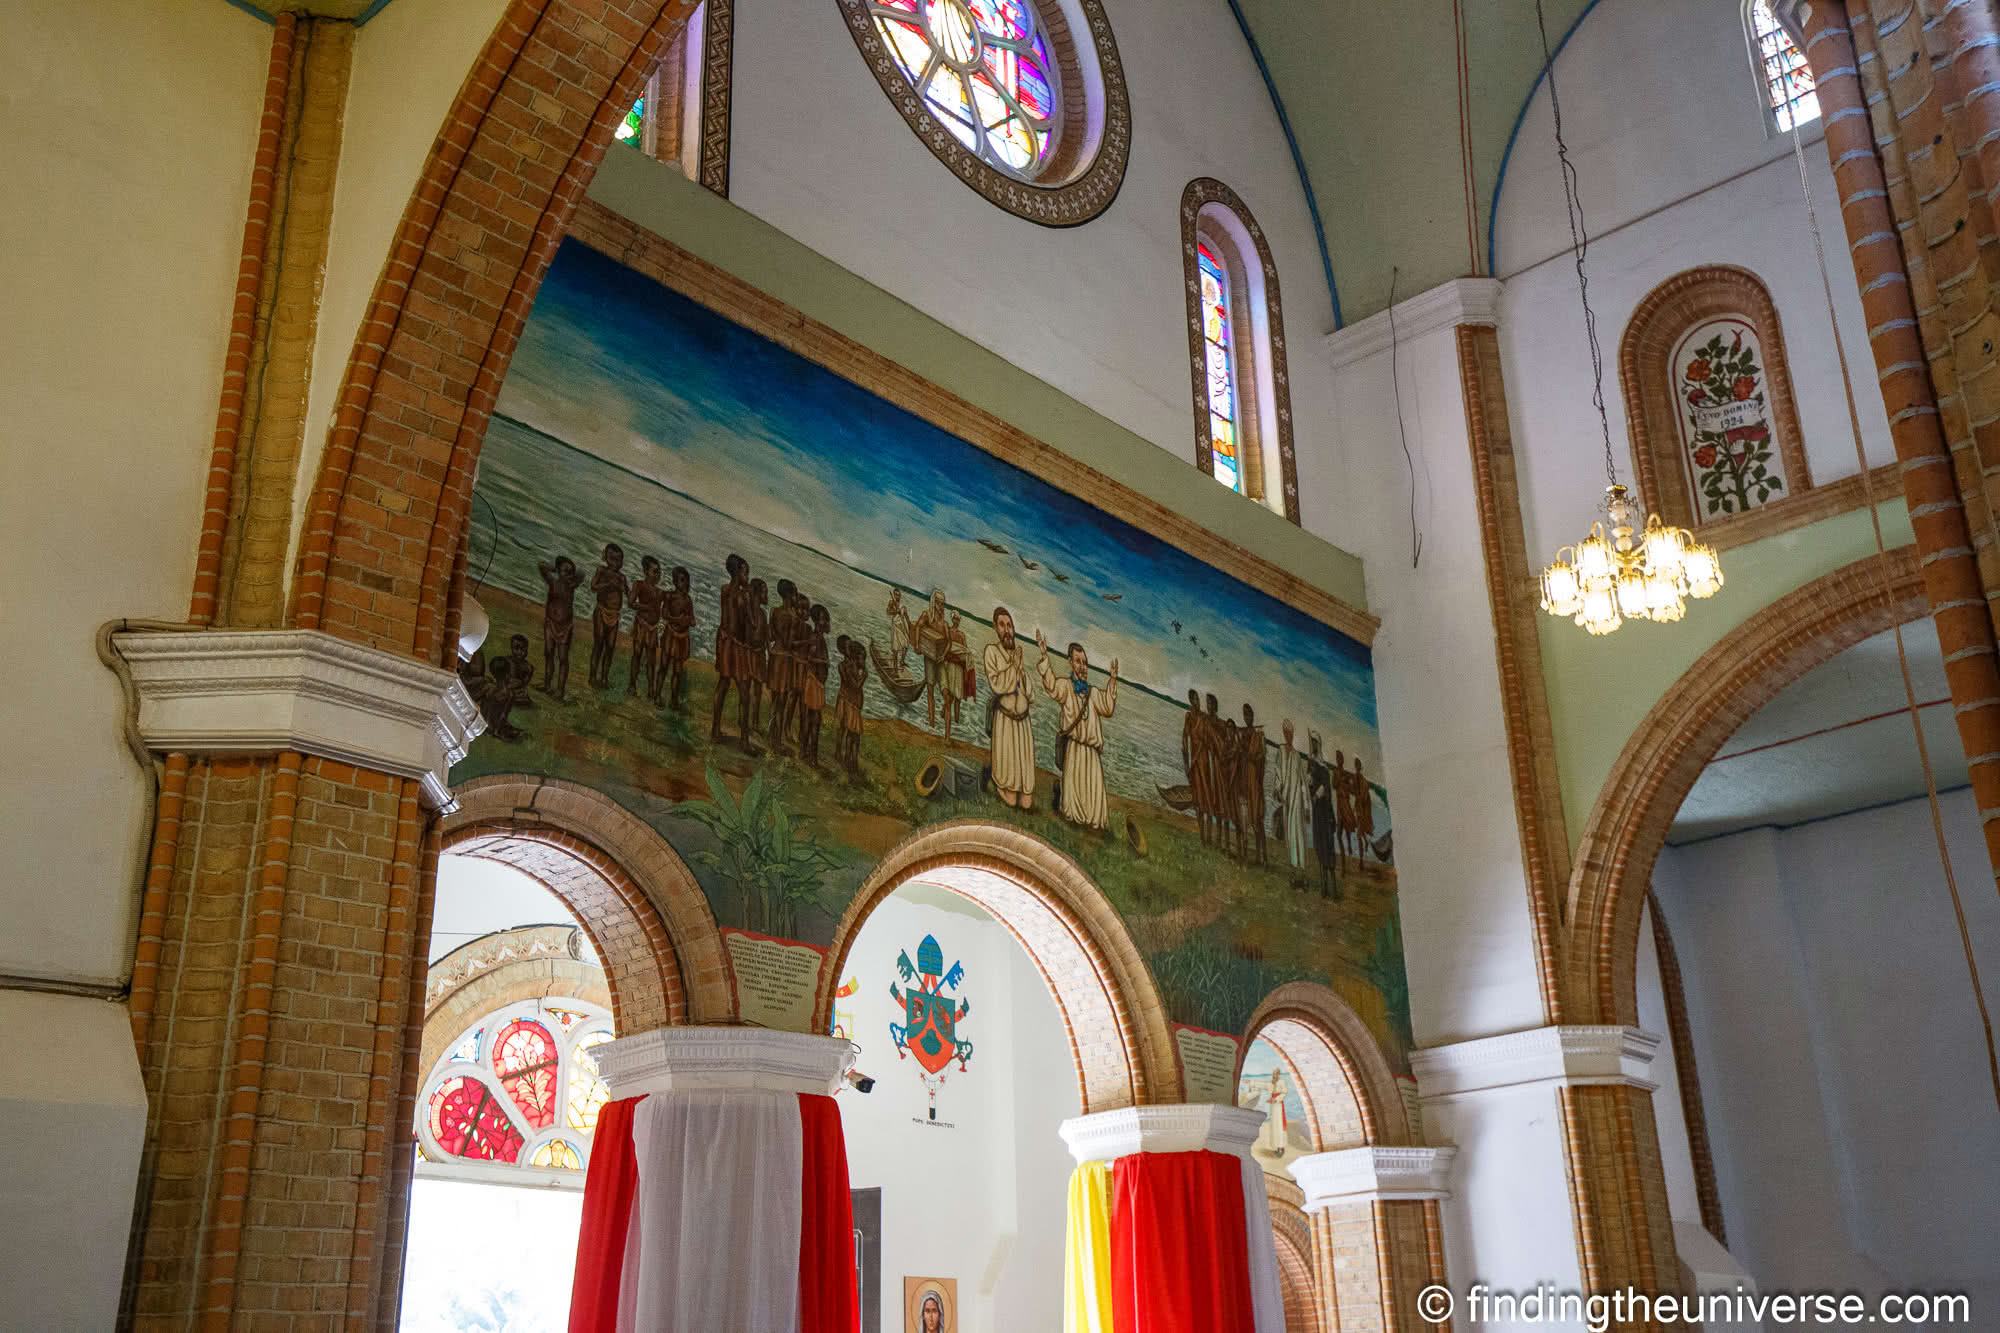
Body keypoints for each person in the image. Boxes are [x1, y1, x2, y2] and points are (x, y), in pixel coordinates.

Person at [1035, 630, 1117, 830]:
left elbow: (1108, 707)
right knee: (1074, 788)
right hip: (1074, 747)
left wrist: (1113, 680)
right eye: (1078, 662)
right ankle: (1072, 818)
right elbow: (1051, 686)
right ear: (1071, 663)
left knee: (1092, 789)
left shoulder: (1094, 693)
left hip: (1091, 751)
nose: (1083, 667)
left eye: (1085, 662)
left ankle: (1093, 824)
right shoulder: (1066, 686)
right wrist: (1044, 656)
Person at [982, 607, 1036, 810]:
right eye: (1003, 625)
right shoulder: (992, 652)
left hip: (1023, 725)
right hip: (1005, 721)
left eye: (1010, 625)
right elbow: (998, 685)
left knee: (1027, 802)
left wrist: (1021, 670)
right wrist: (1013, 667)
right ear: (996, 628)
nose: (1007, 630)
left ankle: (1006, 786)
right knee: (1012, 798)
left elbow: (1031, 694)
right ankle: (996, 783)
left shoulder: (1018, 655)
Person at [709, 554, 756, 751]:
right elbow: (750, 624)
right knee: (744, 691)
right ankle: (744, 740)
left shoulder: (724, 590)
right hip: (736, 645)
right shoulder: (743, 596)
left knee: (723, 683)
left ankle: (715, 730)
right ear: (738, 572)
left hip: (724, 640)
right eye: (746, 572)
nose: (748, 576)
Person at [537, 554, 582, 702]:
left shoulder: (571, 585)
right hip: (550, 623)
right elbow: (541, 566)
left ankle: (560, 690)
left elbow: (582, 574)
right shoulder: (553, 582)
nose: (568, 574)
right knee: (549, 653)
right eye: (565, 571)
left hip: (565, 627)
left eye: (570, 572)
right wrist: (554, 569)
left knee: (563, 658)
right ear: (558, 571)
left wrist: (570, 575)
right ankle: (547, 684)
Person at [1273, 719, 1311, 885]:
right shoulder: (1280, 751)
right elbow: (1278, 773)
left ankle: (1301, 873)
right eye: (1286, 732)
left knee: (1299, 836)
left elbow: (1303, 782)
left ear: (1292, 734)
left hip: (1298, 803)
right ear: (1283, 733)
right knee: (1289, 837)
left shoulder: (1296, 756)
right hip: (1287, 801)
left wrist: (1307, 807)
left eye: (1290, 733)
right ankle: (1294, 873)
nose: (1288, 735)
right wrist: (1277, 789)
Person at [477, 635, 536, 741]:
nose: (519, 652)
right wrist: (498, 729)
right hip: (492, 725)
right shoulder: (508, 694)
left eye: (522, 649)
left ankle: (497, 728)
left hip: (485, 723)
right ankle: (498, 730)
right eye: (516, 648)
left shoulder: (528, 667)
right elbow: (503, 715)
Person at [587, 542, 628, 689]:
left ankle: (604, 678)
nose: (616, 563)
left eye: (619, 560)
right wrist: (608, 585)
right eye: (613, 559)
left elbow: (629, 596)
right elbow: (593, 587)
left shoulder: (622, 577)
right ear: (605, 558)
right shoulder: (602, 571)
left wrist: (623, 589)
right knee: (598, 644)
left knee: (610, 646)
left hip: (614, 615)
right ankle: (592, 676)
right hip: (601, 611)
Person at [911, 589, 952, 731]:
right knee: (930, 690)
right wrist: (916, 645)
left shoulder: (945, 624)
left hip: (940, 661)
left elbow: (949, 643)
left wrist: (943, 655)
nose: (941, 607)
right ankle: (932, 723)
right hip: (929, 658)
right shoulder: (927, 615)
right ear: (933, 603)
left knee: (946, 695)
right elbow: (918, 627)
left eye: (943, 604)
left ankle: (946, 733)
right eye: (939, 603)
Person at [765, 578, 799, 748]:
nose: (796, 597)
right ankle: (777, 741)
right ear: (790, 595)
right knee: (782, 701)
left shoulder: (774, 611)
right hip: (785, 659)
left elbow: (769, 636)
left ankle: (771, 735)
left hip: (774, 657)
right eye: (795, 594)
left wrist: (769, 651)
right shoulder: (792, 616)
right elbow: (789, 642)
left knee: (774, 699)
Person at [626, 555, 665, 699]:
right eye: (655, 571)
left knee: (651, 659)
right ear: (645, 571)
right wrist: (646, 607)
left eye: (659, 571)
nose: (658, 574)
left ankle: (651, 689)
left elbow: (661, 611)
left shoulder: (660, 592)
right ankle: (632, 685)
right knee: (636, 655)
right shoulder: (639, 585)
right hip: (641, 625)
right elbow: (630, 603)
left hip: (653, 628)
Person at [1308, 732, 1340, 900]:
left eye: (1314, 743)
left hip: (1325, 812)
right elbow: (1309, 787)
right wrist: (1309, 782)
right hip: (1316, 812)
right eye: (1311, 742)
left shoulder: (1324, 768)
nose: (1312, 745)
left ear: (1318, 745)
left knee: (1328, 848)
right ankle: (1324, 887)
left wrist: (1317, 793)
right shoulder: (1311, 764)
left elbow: (1326, 789)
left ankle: (1333, 888)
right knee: (1319, 847)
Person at [799, 604, 831, 765]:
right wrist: (824, 661)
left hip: (817, 683)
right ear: (820, 621)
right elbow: (809, 658)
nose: (828, 624)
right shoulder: (815, 638)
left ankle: (807, 752)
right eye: (826, 620)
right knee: (813, 720)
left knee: (812, 720)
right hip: (813, 682)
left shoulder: (820, 638)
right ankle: (809, 755)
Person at [1238, 702, 1268, 866]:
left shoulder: (1258, 736)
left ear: (1253, 716)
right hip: (1244, 781)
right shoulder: (1242, 734)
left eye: (1249, 714)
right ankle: (1247, 855)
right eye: (1244, 714)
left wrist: (1250, 756)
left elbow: (1261, 759)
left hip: (1254, 784)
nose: (1247, 717)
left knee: (1258, 820)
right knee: (1244, 821)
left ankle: (1262, 856)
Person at [660, 565, 693, 708]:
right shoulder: (669, 596)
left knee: (678, 671)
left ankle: (674, 699)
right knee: (663, 665)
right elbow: (664, 614)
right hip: (671, 634)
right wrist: (678, 619)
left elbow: (693, 619)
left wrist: (688, 620)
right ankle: (656, 694)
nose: (685, 584)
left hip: (682, 637)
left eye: (687, 581)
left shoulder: (688, 600)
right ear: (674, 582)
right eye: (682, 580)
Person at [1181, 689, 1212, 845]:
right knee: (1197, 800)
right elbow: (1184, 739)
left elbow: (1205, 740)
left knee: (1206, 797)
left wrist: (1194, 759)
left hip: (1203, 762)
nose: (1197, 702)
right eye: (1194, 699)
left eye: (1198, 699)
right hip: (1194, 764)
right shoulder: (1189, 717)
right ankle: (1202, 835)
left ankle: (1209, 836)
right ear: (1190, 701)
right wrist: (1186, 762)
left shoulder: (1204, 718)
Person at [834, 635, 868, 775]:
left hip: (853, 703)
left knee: (853, 734)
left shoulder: (853, 667)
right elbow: (855, 686)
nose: (863, 662)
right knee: (847, 730)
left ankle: (850, 759)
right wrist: (863, 677)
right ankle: (845, 756)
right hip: (848, 701)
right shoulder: (845, 667)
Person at [744, 577, 771, 737]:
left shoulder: (763, 613)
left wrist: (769, 651)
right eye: (764, 592)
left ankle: (754, 722)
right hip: (749, 653)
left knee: (758, 690)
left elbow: (766, 635)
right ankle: (744, 719)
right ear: (756, 594)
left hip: (760, 654)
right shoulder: (750, 612)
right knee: (746, 688)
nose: (766, 595)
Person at [1351, 755, 1375, 861]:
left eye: (1357, 765)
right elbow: (1356, 792)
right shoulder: (1356, 778)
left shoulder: (1361, 779)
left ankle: (1361, 859)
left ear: (1359, 767)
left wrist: (1358, 805)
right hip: (1359, 807)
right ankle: (1365, 843)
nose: (1357, 767)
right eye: (1356, 765)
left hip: (1361, 808)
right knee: (1359, 832)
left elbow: (1362, 795)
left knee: (1359, 834)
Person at [1333, 747, 1353, 867]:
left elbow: (1351, 789)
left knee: (1347, 830)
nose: (1339, 760)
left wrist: (1347, 781)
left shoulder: (1346, 774)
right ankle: (1343, 856)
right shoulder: (1336, 772)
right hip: (1340, 806)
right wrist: (1341, 779)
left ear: (1343, 760)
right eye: (1337, 758)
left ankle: (1349, 846)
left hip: (1346, 804)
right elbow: (1334, 785)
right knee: (1339, 834)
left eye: (1340, 758)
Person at [886, 587, 914, 670]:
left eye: (899, 595)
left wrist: (910, 626)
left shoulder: (902, 607)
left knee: (906, 644)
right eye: (896, 595)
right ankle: (895, 666)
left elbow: (907, 617)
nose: (898, 597)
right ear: (894, 595)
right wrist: (896, 611)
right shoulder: (891, 603)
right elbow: (888, 612)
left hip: (902, 627)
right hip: (896, 626)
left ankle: (902, 661)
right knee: (896, 647)